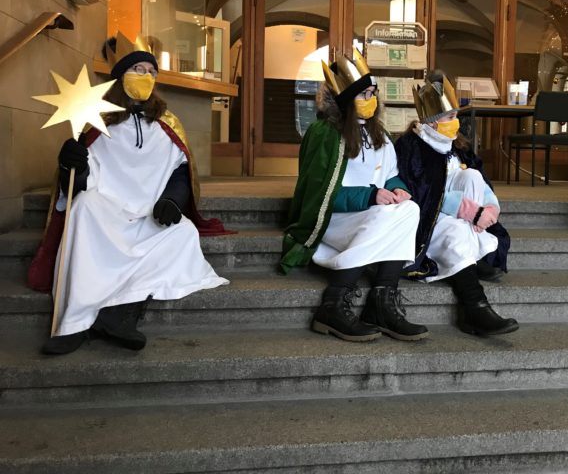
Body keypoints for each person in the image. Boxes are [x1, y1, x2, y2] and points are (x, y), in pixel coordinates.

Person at [28, 32, 230, 355]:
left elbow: (181, 171)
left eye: (151, 72)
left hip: (149, 216)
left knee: (184, 236)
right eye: (138, 70)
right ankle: (74, 322)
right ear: (121, 76)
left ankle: (118, 316)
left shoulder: (168, 124)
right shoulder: (98, 123)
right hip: (107, 215)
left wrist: (171, 201)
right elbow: (80, 181)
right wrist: (72, 165)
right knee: (82, 210)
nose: (146, 77)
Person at [279, 49, 427, 343]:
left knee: (410, 209)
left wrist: (398, 188)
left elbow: (389, 173)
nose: (370, 100)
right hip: (332, 220)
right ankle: (332, 304)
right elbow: (318, 194)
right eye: (363, 94)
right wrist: (370, 197)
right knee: (386, 214)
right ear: (346, 98)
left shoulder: (379, 134)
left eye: (373, 93)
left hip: (367, 217)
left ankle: (381, 304)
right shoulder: (324, 133)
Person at [395, 71, 519, 336]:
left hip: (466, 219)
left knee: (471, 175)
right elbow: (423, 191)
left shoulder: (457, 145)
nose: (455, 122)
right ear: (432, 119)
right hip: (428, 221)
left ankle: (470, 255)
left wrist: (489, 207)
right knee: (455, 230)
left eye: (456, 116)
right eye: (449, 117)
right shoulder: (411, 146)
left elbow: (481, 180)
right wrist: (469, 212)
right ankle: (475, 308)